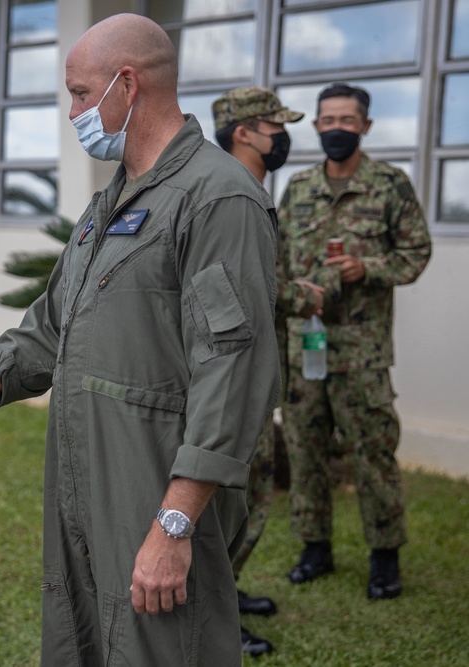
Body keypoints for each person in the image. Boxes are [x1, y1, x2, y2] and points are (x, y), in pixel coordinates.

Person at [0, 15, 280, 666]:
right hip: (86, 496)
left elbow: (232, 370)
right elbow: (45, 337)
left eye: (77, 92)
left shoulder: (218, 199)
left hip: (154, 501)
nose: (71, 112)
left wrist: (173, 525)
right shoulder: (107, 208)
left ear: (127, 84)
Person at [277, 82, 432, 600]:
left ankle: (384, 559)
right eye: (327, 121)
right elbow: (275, 261)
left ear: (365, 126)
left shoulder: (390, 184)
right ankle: (314, 547)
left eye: (347, 120)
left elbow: (415, 254)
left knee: (373, 455)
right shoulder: (297, 188)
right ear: (316, 126)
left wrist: (367, 267)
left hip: (361, 353)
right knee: (305, 452)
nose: (336, 129)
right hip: (305, 351)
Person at [211, 85, 322, 657]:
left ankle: (222, 592)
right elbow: (245, 287)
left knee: (247, 494)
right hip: (229, 379)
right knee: (235, 495)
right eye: (275, 125)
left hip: (251, 373)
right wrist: (302, 295)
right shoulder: (229, 193)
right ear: (244, 132)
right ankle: (212, 614)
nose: (283, 135)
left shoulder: (244, 189)